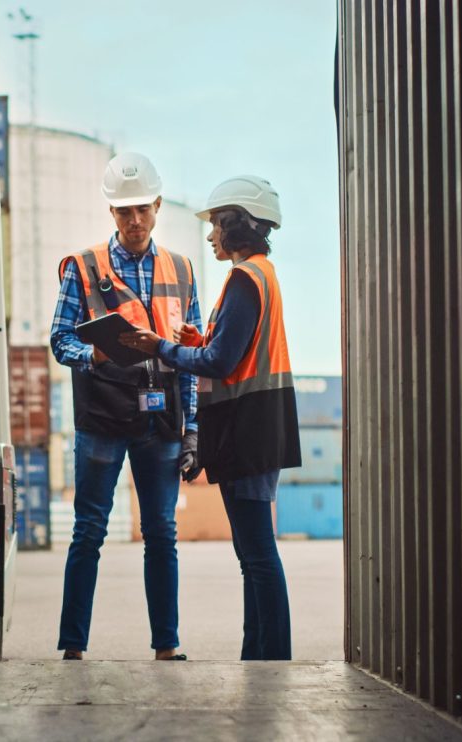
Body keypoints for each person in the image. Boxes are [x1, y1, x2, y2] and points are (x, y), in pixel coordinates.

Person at [119, 175, 301, 660]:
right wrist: (198, 342)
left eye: (217, 225)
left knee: (257, 554)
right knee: (252, 556)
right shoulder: (261, 274)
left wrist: (161, 347)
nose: (210, 235)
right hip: (258, 424)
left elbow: (221, 363)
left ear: (237, 224)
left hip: (249, 427)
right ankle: (257, 657)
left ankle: (273, 658)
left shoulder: (245, 279)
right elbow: (232, 352)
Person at [51, 152, 202, 661]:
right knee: (89, 530)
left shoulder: (181, 269)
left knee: (162, 533)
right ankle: (73, 646)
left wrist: (192, 427)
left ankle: (166, 646)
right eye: (123, 211)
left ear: (158, 205)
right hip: (103, 416)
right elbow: (59, 340)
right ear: (111, 211)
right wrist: (91, 354)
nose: (134, 220)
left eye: (141, 209)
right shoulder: (84, 267)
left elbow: (192, 354)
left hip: (160, 418)